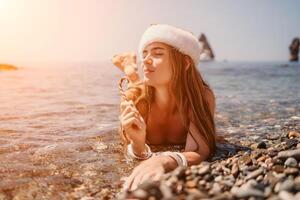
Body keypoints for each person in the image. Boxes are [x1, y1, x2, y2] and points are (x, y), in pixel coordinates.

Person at [112, 24, 216, 191]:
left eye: (158, 53)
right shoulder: (135, 99)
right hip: (142, 93)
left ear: (186, 62)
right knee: (135, 84)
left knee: (137, 84)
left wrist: (163, 160)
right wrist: (138, 145)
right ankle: (130, 70)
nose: (145, 60)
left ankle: (131, 71)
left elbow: (200, 151)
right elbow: (128, 148)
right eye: (144, 54)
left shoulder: (201, 97)